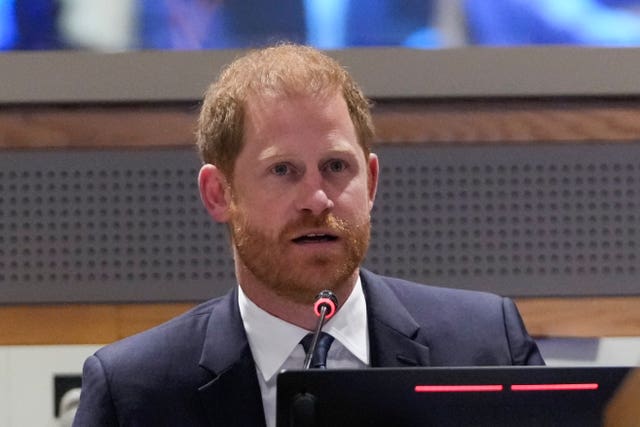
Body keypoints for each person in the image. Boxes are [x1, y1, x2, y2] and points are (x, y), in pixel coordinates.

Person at [72, 43, 543, 427]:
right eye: (283, 170)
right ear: (219, 194)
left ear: (372, 182)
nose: (317, 198)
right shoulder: (135, 393)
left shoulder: (486, 347)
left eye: (336, 167)